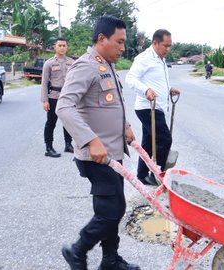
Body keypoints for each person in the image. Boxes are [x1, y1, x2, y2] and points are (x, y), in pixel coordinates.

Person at [56, 15, 140, 270]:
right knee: (110, 211)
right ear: (102, 39)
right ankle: (77, 250)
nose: (123, 48)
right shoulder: (86, 65)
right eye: (120, 42)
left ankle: (110, 260)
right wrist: (90, 140)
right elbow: (64, 106)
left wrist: (124, 125)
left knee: (115, 207)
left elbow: (110, 102)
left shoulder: (107, 63)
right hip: (97, 156)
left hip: (113, 154)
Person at [125, 29, 180, 186]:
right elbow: (130, 78)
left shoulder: (161, 59)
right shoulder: (144, 58)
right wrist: (145, 90)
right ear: (155, 43)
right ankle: (157, 174)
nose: (168, 49)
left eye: (170, 45)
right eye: (165, 45)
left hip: (158, 107)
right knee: (165, 139)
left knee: (148, 143)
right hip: (147, 107)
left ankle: (142, 175)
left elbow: (156, 80)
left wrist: (168, 90)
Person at [41, 37, 74, 157]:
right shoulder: (49, 63)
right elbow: (44, 82)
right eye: (59, 45)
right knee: (51, 122)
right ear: (55, 47)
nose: (62, 48)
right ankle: (48, 148)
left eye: (64, 45)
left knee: (68, 121)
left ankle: (68, 144)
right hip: (54, 96)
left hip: (68, 96)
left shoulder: (72, 62)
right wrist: (45, 100)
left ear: (67, 47)